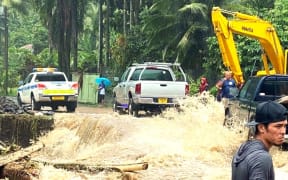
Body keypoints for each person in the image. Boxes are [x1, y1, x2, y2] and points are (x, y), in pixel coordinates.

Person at [231, 101, 288, 180]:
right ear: (261, 128)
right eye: (278, 126)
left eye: (285, 126)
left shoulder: (243, 148)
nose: (283, 131)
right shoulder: (261, 158)